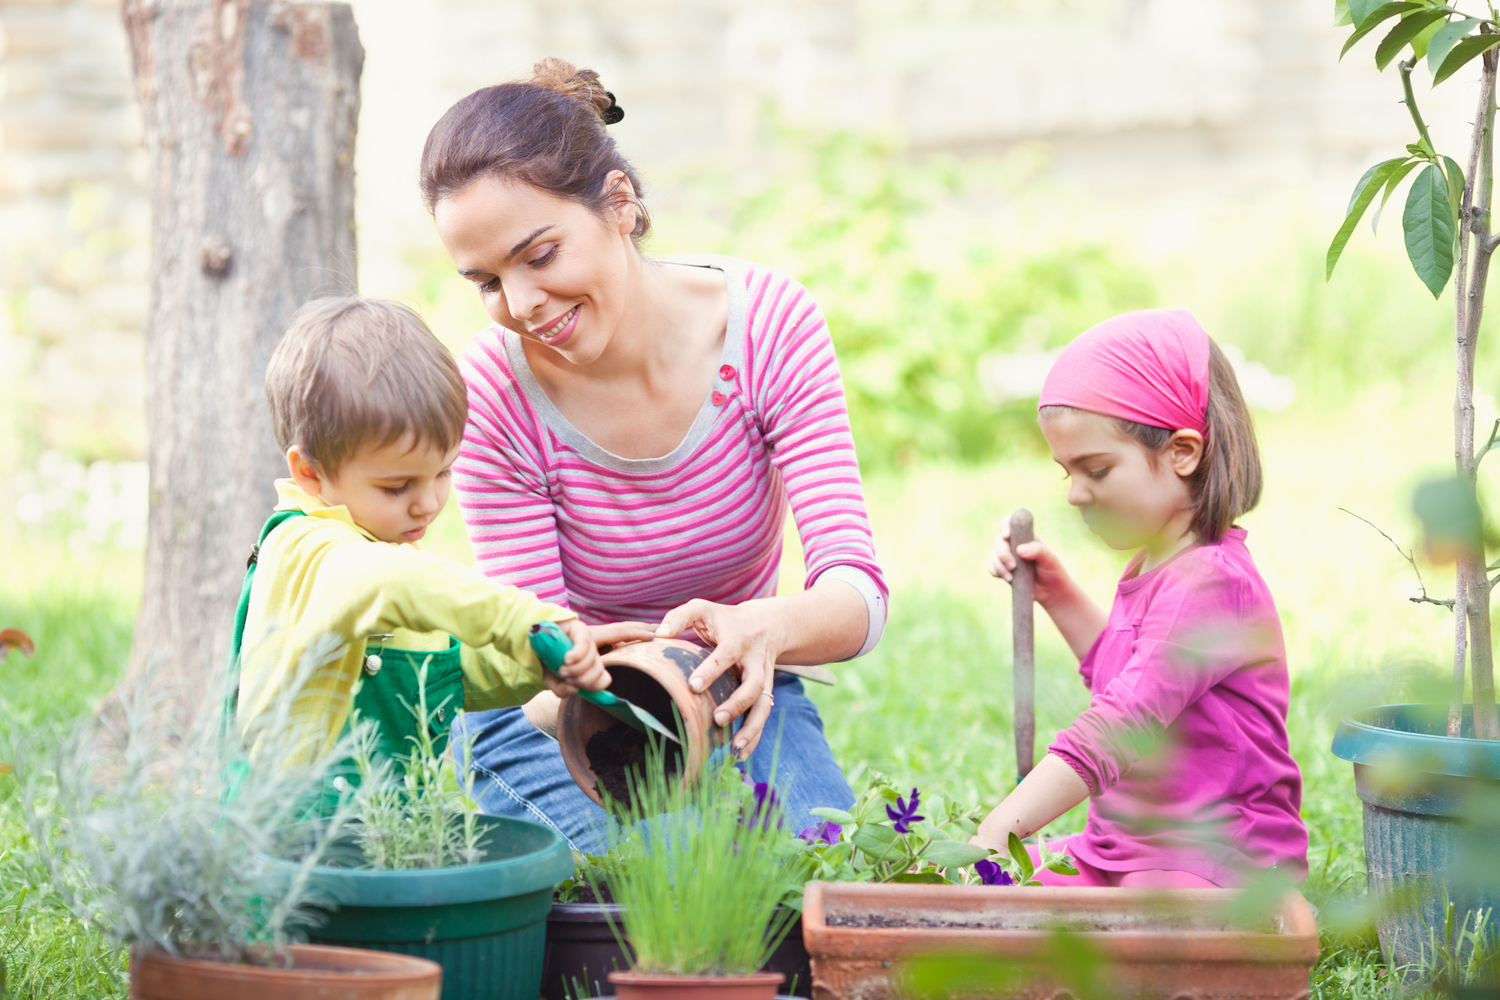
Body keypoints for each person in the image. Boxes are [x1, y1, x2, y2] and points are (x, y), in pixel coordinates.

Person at [419, 59, 887, 851]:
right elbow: (542, 650)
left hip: (730, 688)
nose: (523, 304)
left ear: (620, 204)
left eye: (539, 255)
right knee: (662, 885)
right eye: (487, 281)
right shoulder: (495, 394)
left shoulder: (768, 325)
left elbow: (857, 597)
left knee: (817, 880)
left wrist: (762, 628)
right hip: (560, 716)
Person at [975, 309, 1307, 888]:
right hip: (1122, 848)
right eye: (1066, 473)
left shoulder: (1211, 580)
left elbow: (1123, 721)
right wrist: (1059, 595)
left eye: (1096, 469)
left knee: (1135, 925)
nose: (1077, 494)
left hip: (1220, 857)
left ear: (1182, 452)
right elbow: (1127, 672)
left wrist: (992, 836)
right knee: (996, 891)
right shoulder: (1158, 562)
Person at [232, 296, 609, 782]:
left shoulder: (384, 551)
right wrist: (526, 621)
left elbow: (455, 675)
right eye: (397, 486)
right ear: (310, 472)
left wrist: (540, 664)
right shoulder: (308, 550)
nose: (429, 503)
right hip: (298, 839)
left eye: (443, 473)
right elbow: (390, 582)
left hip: (383, 833)